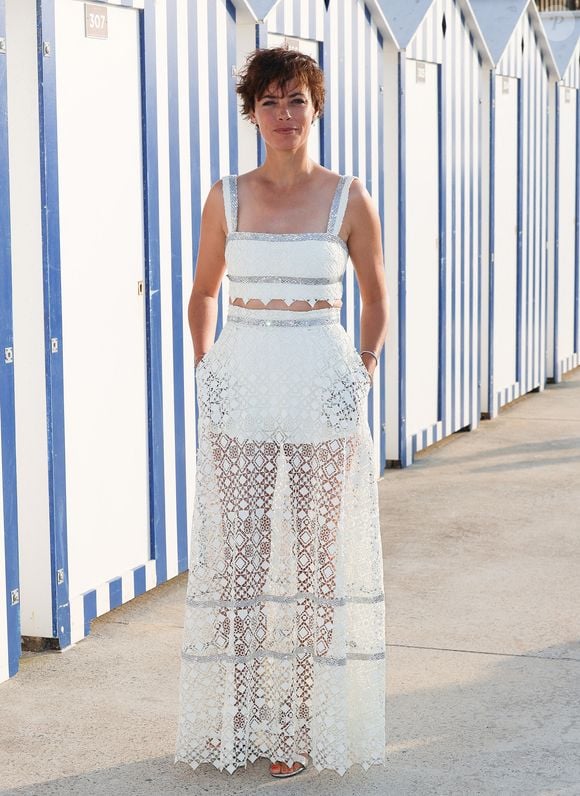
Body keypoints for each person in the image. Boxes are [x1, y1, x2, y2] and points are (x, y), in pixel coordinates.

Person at [174, 46, 389, 780]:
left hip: (323, 391)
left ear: (316, 106)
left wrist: (360, 370)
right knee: (240, 563)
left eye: (296, 100)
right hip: (242, 388)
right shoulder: (226, 196)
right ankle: (235, 721)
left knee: (316, 566)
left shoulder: (348, 196)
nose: (284, 116)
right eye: (270, 102)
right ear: (252, 113)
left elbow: (377, 296)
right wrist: (208, 373)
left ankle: (302, 724)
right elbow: (203, 291)